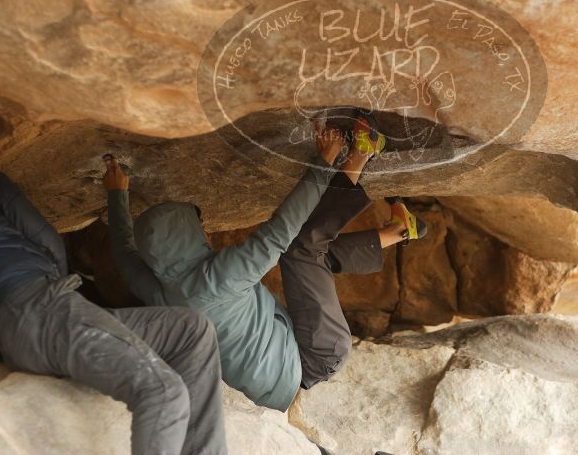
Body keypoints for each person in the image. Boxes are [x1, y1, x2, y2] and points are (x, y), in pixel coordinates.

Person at [106, 110, 426, 412]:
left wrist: (116, 197)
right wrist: (324, 158)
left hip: (277, 388)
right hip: (314, 354)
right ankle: (362, 150)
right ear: (188, 235)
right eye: (197, 226)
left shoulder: (162, 295)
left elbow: (124, 255)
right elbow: (281, 230)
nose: (203, 231)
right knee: (300, 247)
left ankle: (398, 232)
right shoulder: (221, 277)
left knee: (310, 258)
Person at [0, 157, 228, 455]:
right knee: (162, 391)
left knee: (191, 331)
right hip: (44, 309)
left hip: (19, 330)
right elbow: (48, 239)